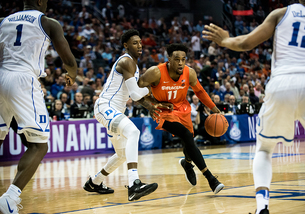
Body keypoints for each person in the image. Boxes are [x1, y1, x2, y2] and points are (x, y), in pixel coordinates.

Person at [203, 1, 305, 213]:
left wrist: (225, 40)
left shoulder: (282, 13)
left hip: (283, 82)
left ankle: (262, 208)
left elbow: (245, 44)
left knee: (264, 149)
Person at [0, 0, 77, 213]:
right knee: (39, 144)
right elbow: (68, 58)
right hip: (23, 80)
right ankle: (10, 198)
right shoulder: (47, 22)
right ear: (41, 1)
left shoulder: (3, 21)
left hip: (1, 75)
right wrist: (72, 73)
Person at [83, 29, 161, 201]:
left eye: (140, 42)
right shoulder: (126, 61)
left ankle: (95, 182)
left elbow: (135, 96)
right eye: (135, 43)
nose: (140, 45)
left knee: (122, 155)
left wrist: (152, 106)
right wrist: (152, 88)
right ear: (126, 45)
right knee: (133, 132)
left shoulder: (135, 67)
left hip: (114, 111)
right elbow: (135, 95)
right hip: (106, 106)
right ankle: (134, 183)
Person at [138, 43, 225, 194]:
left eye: (183, 59)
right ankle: (210, 178)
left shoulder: (189, 73)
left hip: (182, 108)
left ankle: (187, 163)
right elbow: (136, 88)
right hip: (163, 111)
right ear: (169, 59)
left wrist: (213, 108)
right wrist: (153, 103)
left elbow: (200, 91)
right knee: (185, 134)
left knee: (189, 140)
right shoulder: (155, 72)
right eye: (176, 59)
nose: (180, 63)